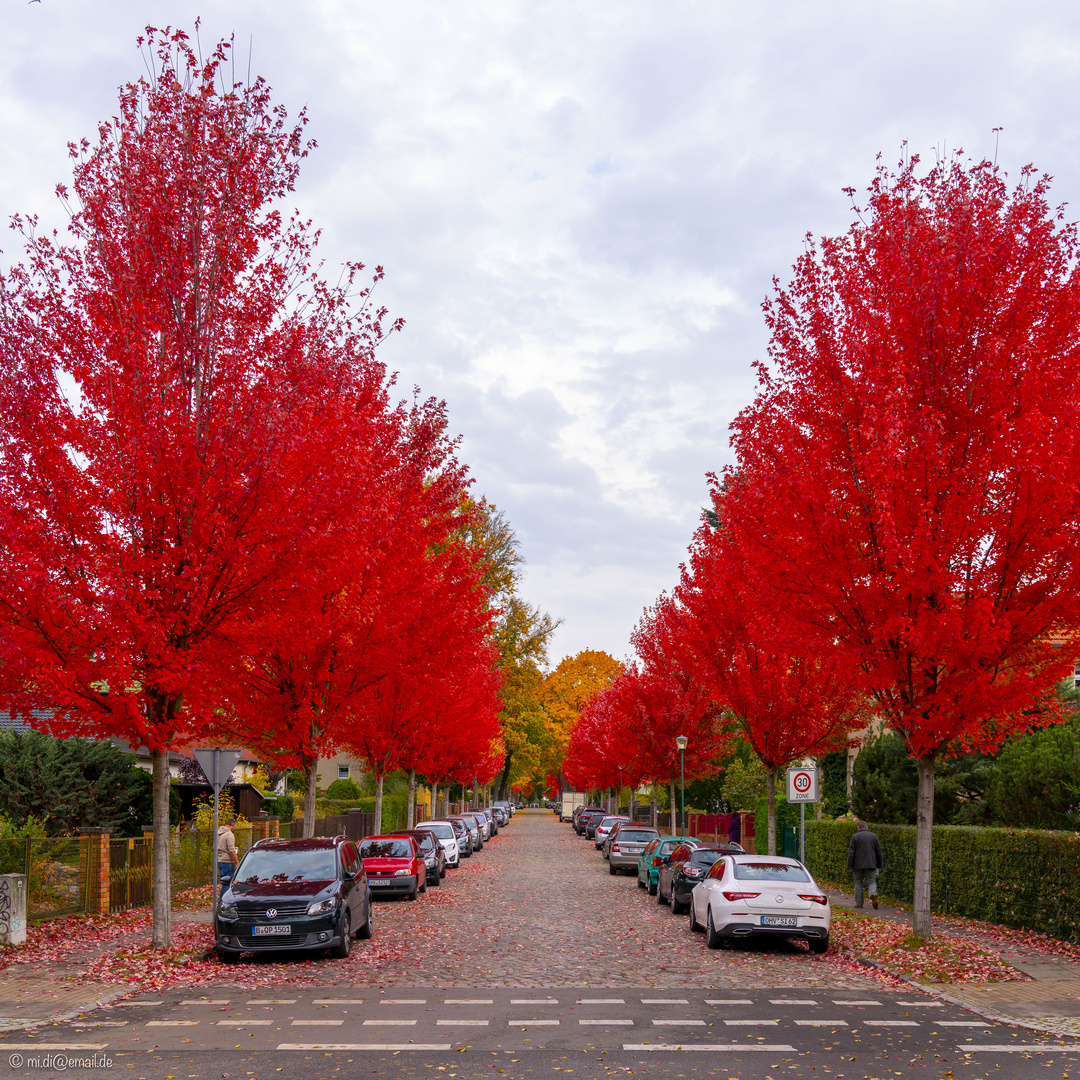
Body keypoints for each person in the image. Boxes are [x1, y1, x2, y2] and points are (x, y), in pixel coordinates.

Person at [846, 820, 882, 909]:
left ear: (858, 828)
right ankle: (872, 893)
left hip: (857, 865)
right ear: (867, 827)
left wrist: (849, 865)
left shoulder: (855, 837)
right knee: (871, 881)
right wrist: (879, 864)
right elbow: (878, 852)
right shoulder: (874, 836)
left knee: (858, 883)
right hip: (871, 863)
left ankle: (859, 904)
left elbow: (851, 853)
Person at [217, 817, 239, 903]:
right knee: (227, 885)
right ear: (232, 824)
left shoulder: (219, 833)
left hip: (220, 861)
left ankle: (221, 904)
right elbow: (231, 851)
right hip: (227, 862)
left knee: (224, 882)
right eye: (235, 826)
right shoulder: (229, 835)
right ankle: (222, 904)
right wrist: (237, 862)